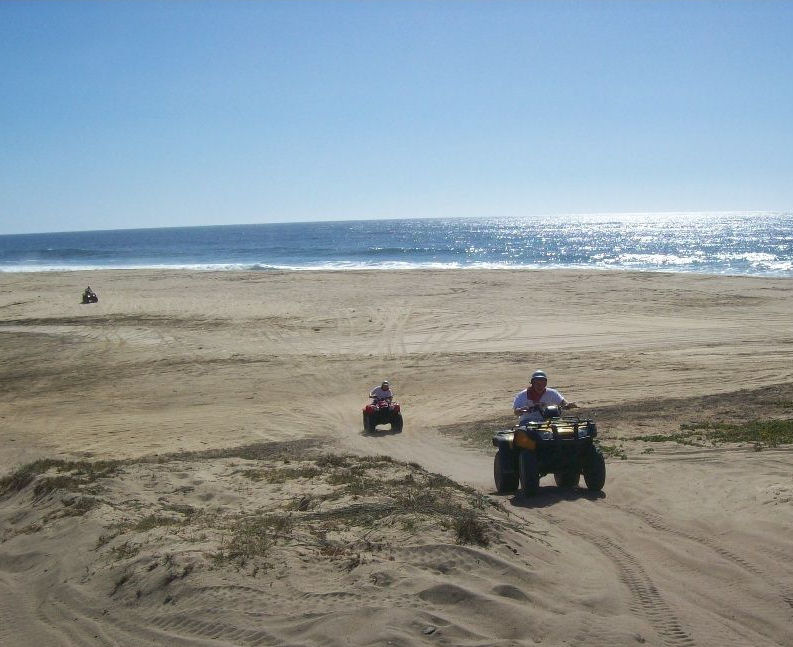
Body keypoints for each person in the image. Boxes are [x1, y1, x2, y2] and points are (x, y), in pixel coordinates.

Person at [513, 370, 577, 424]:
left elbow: (563, 403)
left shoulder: (552, 393)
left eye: (542, 383)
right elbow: (516, 412)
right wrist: (521, 410)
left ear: (545, 383)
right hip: (528, 422)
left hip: (548, 421)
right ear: (532, 383)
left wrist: (569, 405)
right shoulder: (522, 395)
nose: (540, 385)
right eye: (537, 383)